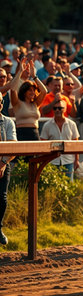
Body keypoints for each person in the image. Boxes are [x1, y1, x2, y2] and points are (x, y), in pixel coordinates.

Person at [40, 100, 80, 181]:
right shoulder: (47, 125)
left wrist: (77, 160)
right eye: (55, 108)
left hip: (68, 160)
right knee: (52, 187)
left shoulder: (72, 124)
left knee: (68, 186)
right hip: (52, 161)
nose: (57, 110)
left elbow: (76, 143)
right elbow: (43, 144)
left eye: (60, 108)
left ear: (65, 109)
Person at [10, 60, 46, 141]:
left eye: (34, 90)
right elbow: (12, 89)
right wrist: (20, 72)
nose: (33, 92)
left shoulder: (35, 104)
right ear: (24, 91)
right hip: (22, 134)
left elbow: (44, 91)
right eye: (30, 90)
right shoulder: (17, 103)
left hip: (35, 134)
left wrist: (34, 76)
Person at [0, 92, 17, 245]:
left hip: (3, 163)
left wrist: (3, 163)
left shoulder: (8, 122)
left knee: (2, 198)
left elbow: (13, 145)